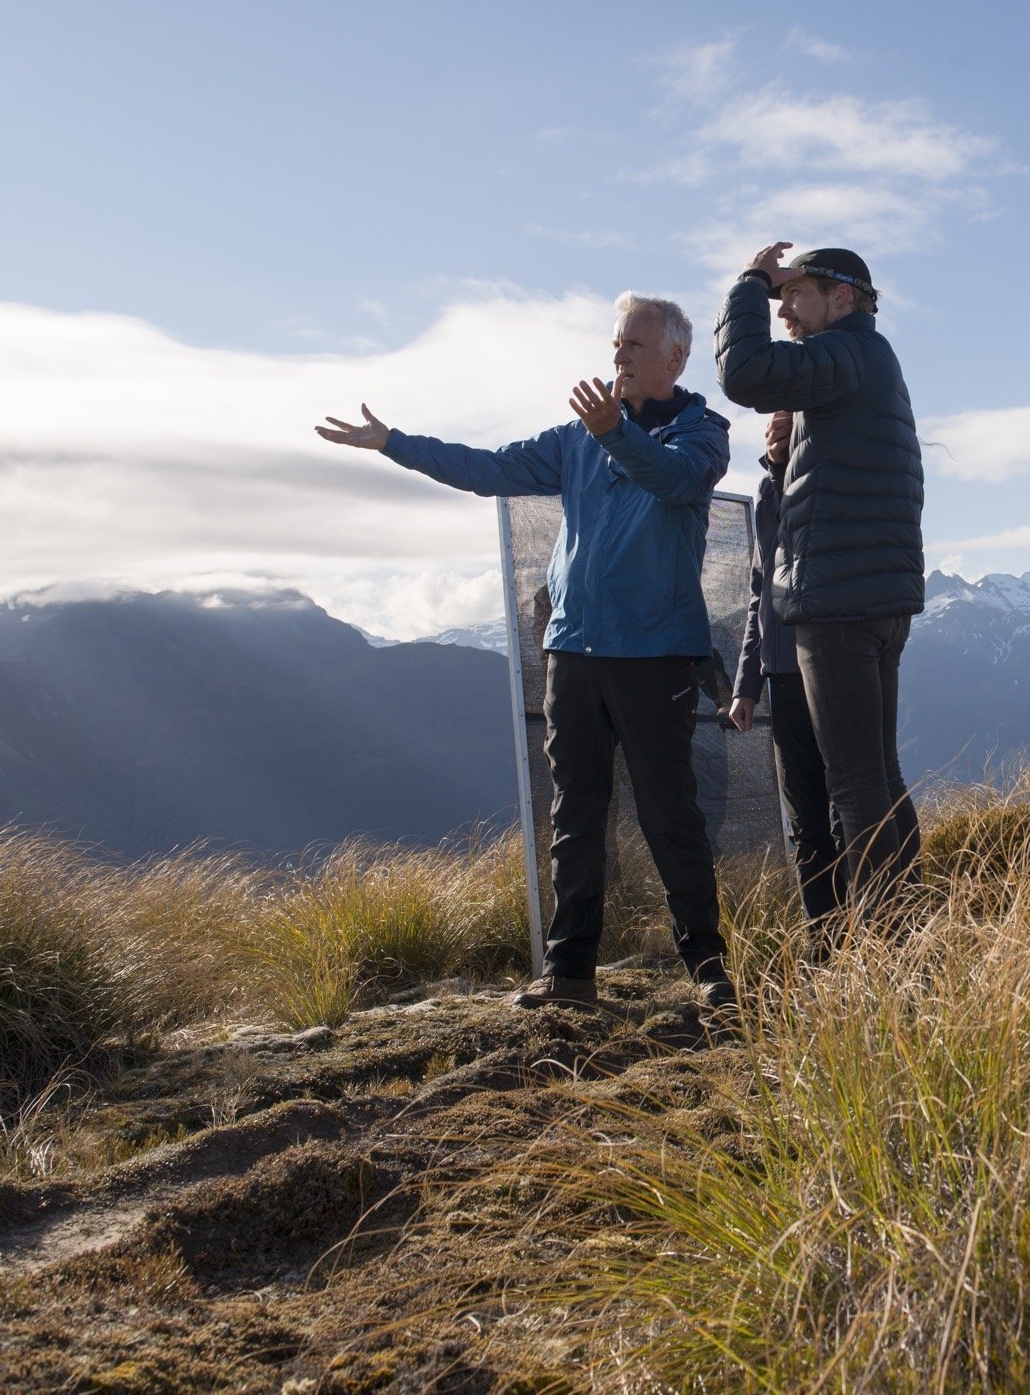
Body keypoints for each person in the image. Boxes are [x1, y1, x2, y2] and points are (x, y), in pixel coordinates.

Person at [315, 293, 736, 1011]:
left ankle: (707, 969)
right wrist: (393, 443)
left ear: (674, 357)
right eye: (615, 345)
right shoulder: (578, 438)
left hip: (657, 655)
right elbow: (487, 469)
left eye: (633, 346)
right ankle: (569, 973)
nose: (618, 358)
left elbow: (674, 483)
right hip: (573, 650)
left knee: (671, 815)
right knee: (575, 814)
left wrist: (614, 437)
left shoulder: (702, 435)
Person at [716, 244, 924, 916]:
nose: (783, 311)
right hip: (876, 597)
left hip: (836, 602)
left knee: (854, 785)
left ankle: (886, 950)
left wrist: (748, 283)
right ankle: (910, 927)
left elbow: (744, 372)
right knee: (878, 775)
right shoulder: (868, 361)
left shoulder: (848, 354)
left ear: (842, 296)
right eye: (776, 299)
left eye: (793, 295)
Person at [727, 408, 846, 951]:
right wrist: (746, 685)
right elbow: (759, 593)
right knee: (805, 819)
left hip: (832, 662)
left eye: (787, 419)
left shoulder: (829, 477)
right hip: (780, 673)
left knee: (847, 805)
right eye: (771, 420)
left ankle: (869, 936)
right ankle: (823, 944)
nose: (775, 427)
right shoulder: (765, 495)